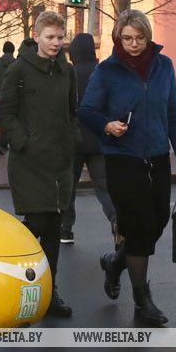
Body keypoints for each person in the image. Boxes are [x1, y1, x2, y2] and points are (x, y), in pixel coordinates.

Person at [78, 9, 176, 326]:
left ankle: (116, 261)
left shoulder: (163, 66)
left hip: (156, 156)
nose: (133, 44)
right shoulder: (107, 71)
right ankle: (143, 302)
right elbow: (86, 110)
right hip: (121, 159)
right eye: (127, 38)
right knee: (139, 226)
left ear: (148, 36)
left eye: (139, 38)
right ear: (119, 38)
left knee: (157, 222)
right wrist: (107, 125)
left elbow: (172, 112)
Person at [0, 11, 80, 317]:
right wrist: (23, 142)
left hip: (59, 161)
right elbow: (4, 111)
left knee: (55, 227)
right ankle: (21, 284)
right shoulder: (20, 69)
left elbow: (73, 111)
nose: (56, 43)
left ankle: (50, 292)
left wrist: (72, 140)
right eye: (50, 37)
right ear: (36, 36)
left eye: (60, 37)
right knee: (37, 225)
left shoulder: (66, 71)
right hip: (30, 162)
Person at [62, 33, 117, 246]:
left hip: (74, 141)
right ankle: (116, 220)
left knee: (69, 188)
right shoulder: (103, 71)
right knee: (104, 187)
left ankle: (66, 230)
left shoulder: (69, 73)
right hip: (99, 138)